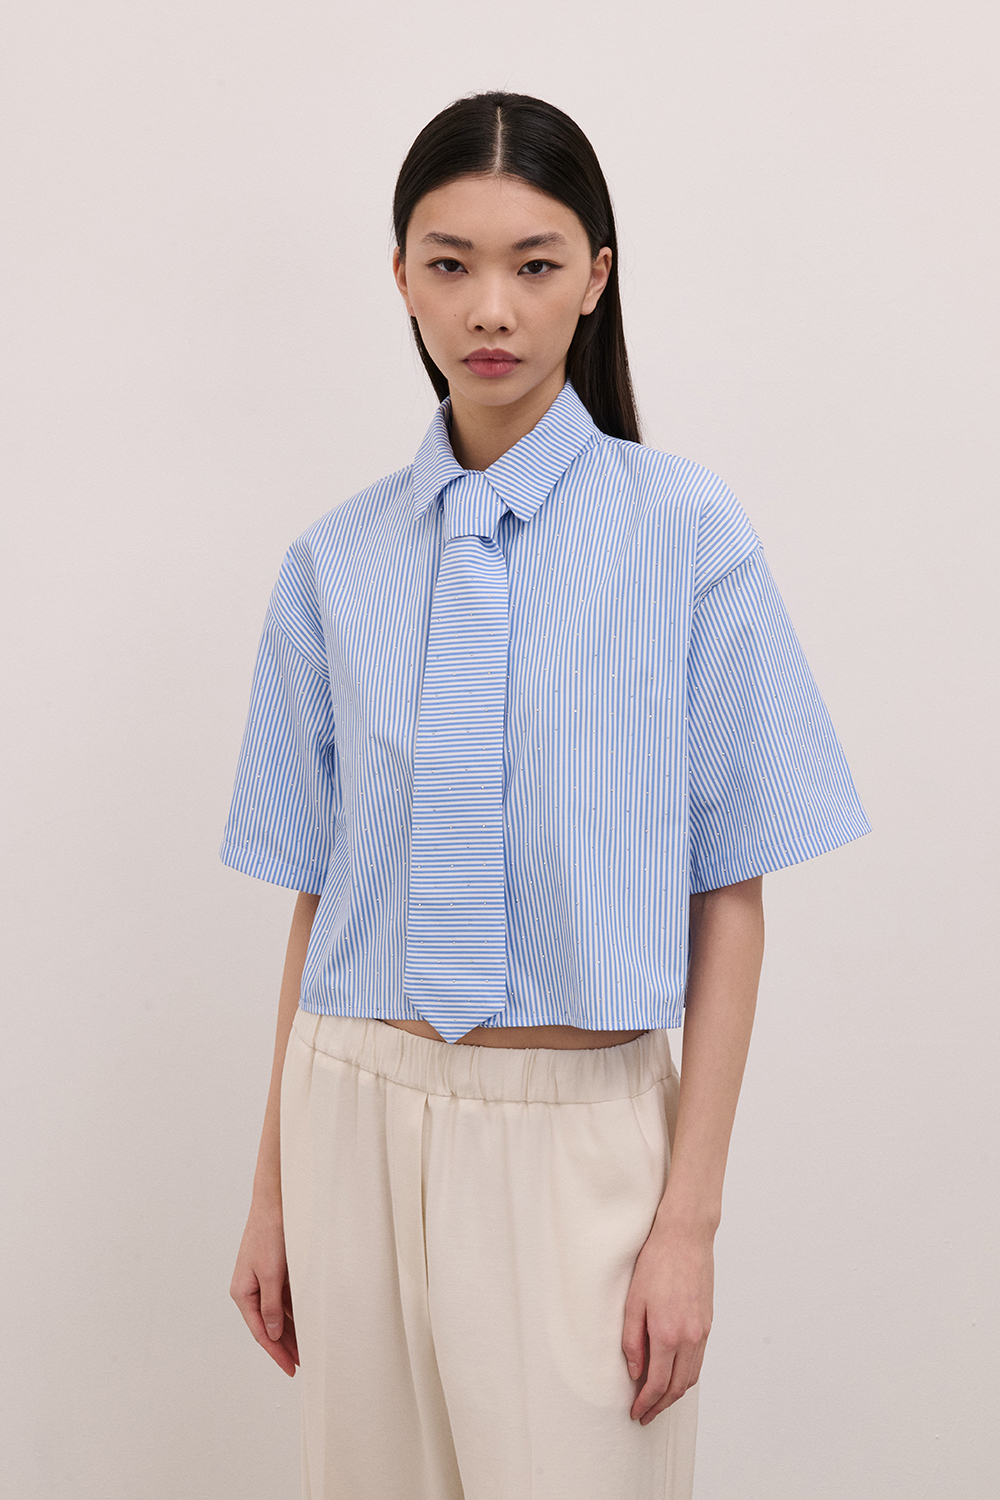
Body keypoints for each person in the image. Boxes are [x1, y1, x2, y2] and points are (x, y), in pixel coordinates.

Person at [221, 90, 870, 1500]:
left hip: (583, 1139)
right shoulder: (332, 563)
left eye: (534, 262)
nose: (490, 307)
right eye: (449, 263)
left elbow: (731, 894)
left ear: (596, 276)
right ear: (402, 277)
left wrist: (688, 1223)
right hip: (353, 1113)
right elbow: (319, 900)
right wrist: (273, 1191)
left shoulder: (684, 532)